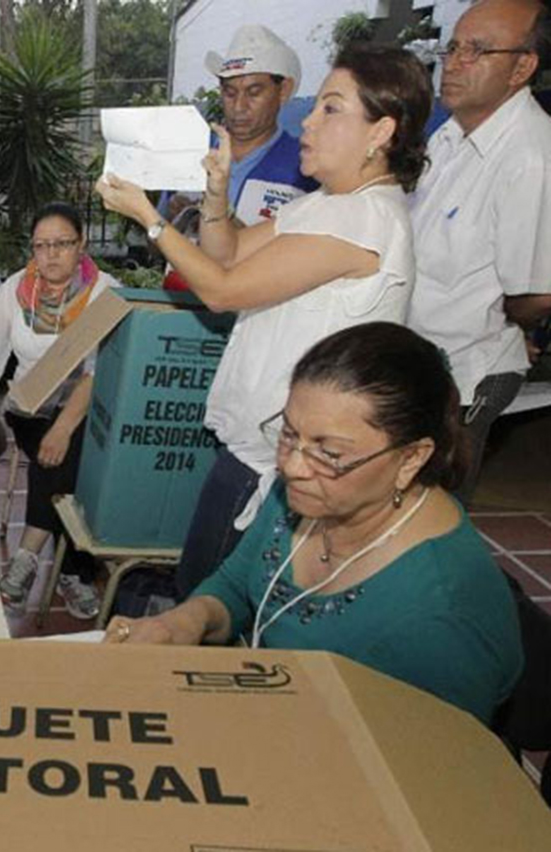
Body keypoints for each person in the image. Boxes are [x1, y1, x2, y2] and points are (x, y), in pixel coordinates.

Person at [97, 44, 431, 598]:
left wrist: (150, 219)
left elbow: (222, 290)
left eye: (330, 108)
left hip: (285, 467)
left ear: (381, 132)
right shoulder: (326, 203)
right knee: (203, 591)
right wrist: (217, 189)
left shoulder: (365, 220)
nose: (308, 122)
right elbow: (226, 251)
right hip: (259, 451)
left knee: (215, 605)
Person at [104, 323, 523, 725]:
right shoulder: (310, 497)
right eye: (288, 434)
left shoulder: (442, 618)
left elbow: (417, 772)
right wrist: (184, 622)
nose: (292, 466)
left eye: (330, 453)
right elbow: (235, 585)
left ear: (411, 458)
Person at [0, 202, 123, 620]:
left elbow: (98, 371)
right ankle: (73, 571)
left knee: (64, 450)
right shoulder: (20, 289)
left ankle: (27, 557)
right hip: (29, 408)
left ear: (82, 244)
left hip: (86, 408)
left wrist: (65, 427)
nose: (51, 255)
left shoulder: (106, 292)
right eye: (41, 246)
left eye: (62, 244)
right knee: (64, 459)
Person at [408, 0, 551, 504]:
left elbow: (534, 294)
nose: (455, 61)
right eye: (453, 47)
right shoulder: (449, 136)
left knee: (428, 519)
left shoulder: (529, 156)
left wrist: (501, 319)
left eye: (478, 50)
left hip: (467, 375)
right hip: (419, 362)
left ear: (522, 67)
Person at [167, 24, 317, 230]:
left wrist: (218, 219)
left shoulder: (307, 167)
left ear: (283, 90)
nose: (239, 106)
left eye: (254, 92)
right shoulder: (193, 152)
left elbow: (308, 254)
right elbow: (153, 245)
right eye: (229, 93)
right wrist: (172, 221)